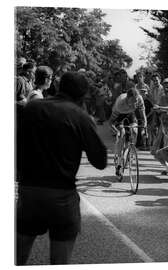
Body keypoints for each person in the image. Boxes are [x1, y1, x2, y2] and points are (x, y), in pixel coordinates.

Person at [16, 72, 107, 265]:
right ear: (82, 96)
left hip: (28, 191)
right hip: (61, 196)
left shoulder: (32, 107)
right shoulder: (80, 116)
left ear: (58, 87)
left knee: (17, 256)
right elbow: (100, 161)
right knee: (59, 261)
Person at [109, 88, 147, 176]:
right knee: (122, 133)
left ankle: (130, 150)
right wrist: (115, 130)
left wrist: (145, 125)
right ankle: (119, 161)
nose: (135, 103)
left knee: (134, 130)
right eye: (133, 101)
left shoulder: (139, 99)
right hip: (120, 114)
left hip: (131, 113)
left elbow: (143, 114)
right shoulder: (120, 104)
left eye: (136, 101)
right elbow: (111, 122)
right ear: (127, 98)